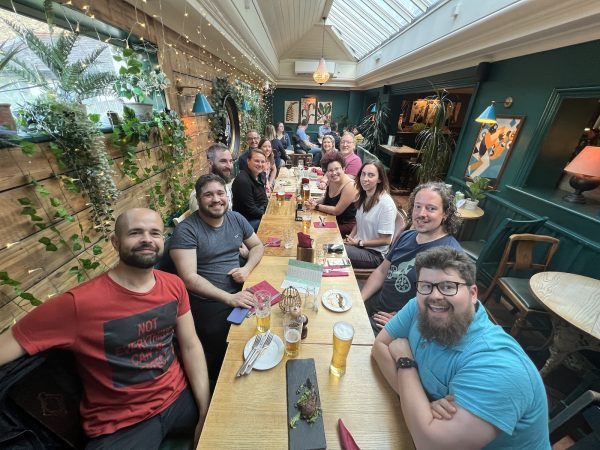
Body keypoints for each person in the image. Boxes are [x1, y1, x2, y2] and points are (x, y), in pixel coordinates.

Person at [0, 208, 210, 448]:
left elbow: (190, 344)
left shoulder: (173, 285)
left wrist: (205, 410)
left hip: (180, 398)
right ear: (115, 242)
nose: (147, 239)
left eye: (155, 233)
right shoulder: (77, 304)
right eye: (135, 232)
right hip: (122, 424)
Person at [372, 246, 550, 450]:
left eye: (448, 286)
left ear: (473, 293)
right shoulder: (420, 306)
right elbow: (379, 345)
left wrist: (405, 362)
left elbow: (429, 445)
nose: (435, 296)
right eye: (426, 286)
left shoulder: (499, 367)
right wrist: (423, 407)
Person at [170, 174, 264, 383]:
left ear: (227, 195)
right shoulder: (186, 231)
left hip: (240, 291)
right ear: (199, 199)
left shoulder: (235, 218)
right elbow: (188, 278)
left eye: (220, 193)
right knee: (243, 341)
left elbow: (257, 246)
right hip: (208, 303)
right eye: (208, 195)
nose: (216, 199)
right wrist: (229, 298)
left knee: (269, 319)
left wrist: (247, 269)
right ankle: (226, 386)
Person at [361, 182, 462, 333]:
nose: (421, 214)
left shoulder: (450, 255)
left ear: (445, 214)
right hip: (377, 302)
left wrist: (405, 322)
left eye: (431, 208)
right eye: (418, 206)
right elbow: (382, 272)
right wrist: (360, 299)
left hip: (397, 323)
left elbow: (448, 310)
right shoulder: (407, 235)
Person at [344, 160, 397, 269]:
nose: (365, 179)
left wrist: (359, 243)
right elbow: (358, 222)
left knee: (333, 252)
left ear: (380, 179)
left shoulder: (386, 204)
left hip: (375, 255)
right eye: (363, 174)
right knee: (331, 245)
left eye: (371, 175)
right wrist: (351, 237)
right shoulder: (364, 196)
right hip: (359, 246)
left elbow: (386, 240)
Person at [307, 151, 357, 236]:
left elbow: (337, 211)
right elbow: (326, 198)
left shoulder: (350, 186)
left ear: (343, 169)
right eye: (330, 170)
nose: (334, 173)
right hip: (330, 218)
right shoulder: (331, 180)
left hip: (344, 225)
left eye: (337, 169)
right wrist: (314, 201)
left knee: (315, 233)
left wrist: (316, 206)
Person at [231, 148, 268, 231]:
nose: (260, 164)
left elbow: (264, 198)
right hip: (246, 221)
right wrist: (266, 216)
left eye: (262, 162)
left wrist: (266, 210)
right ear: (248, 161)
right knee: (274, 225)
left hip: (258, 214)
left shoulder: (260, 175)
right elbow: (250, 210)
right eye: (256, 161)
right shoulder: (243, 181)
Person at [189, 143, 233, 212]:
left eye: (230, 161)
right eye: (223, 161)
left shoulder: (224, 185)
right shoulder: (199, 194)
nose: (229, 166)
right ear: (210, 163)